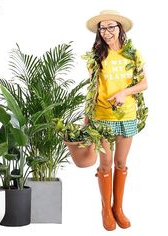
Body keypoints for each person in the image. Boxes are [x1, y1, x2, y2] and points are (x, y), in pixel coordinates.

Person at [83, 10, 148, 231]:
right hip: (102, 117)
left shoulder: (132, 54)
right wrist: (86, 119)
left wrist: (124, 92)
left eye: (111, 27)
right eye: (103, 28)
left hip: (128, 115)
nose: (107, 32)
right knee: (105, 163)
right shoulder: (95, 56)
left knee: (121, 163)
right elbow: (91, 90)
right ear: (99, 32)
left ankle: (118, 208)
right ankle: (105, 210)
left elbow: (144, 84)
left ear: (120, 28)